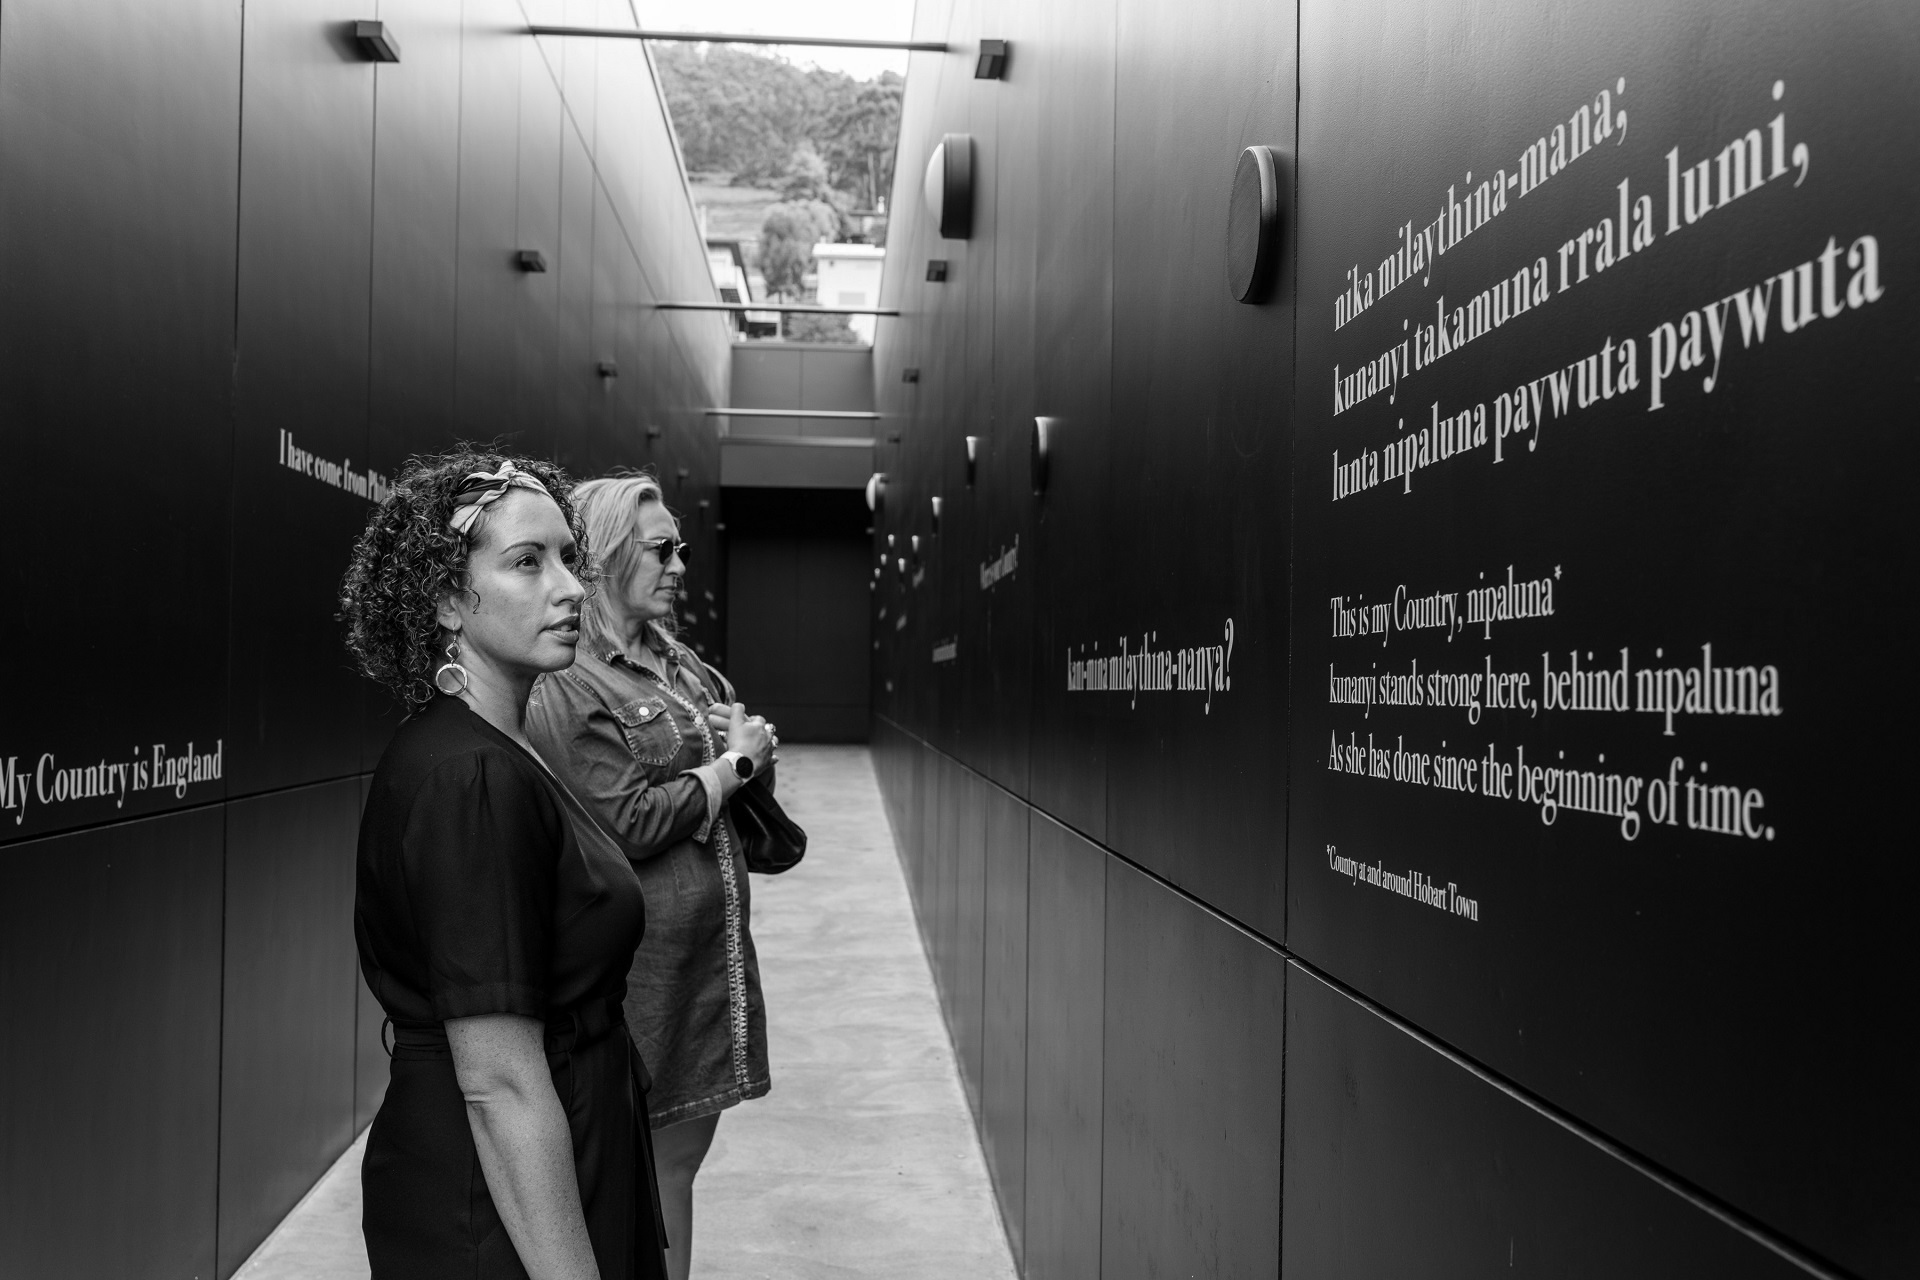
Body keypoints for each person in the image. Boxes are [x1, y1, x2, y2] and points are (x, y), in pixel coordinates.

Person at [339, 449, 669, 1280]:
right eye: (527, 562)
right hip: (497, 1202)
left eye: (569, 557)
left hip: (563, 1145)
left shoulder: (501, 745)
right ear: (447, 598)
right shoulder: (470, 778)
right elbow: (499, 1084)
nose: (570, 588)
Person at [525, 473, 776, 1280]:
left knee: (676, 1167)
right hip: (640, 977)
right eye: (661, 550)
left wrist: (746, 748)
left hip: (706, 965)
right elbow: (625, 821)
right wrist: (735, 765)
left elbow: (732, 771)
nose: (679, 565)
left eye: (681, 548)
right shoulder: (570, 676)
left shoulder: (678, 662)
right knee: (640, 1173)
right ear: (602, 557)